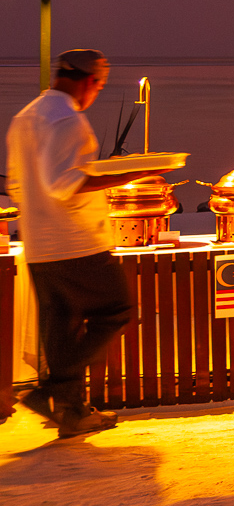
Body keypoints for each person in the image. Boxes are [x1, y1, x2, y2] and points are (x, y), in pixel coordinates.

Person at [6, 49, 150, 437]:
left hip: (39, 244)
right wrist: (133, 173)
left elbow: (18, 185)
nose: (97, 93)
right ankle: (51, 391)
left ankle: (70, 413)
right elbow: (64, 184)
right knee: (117, 310)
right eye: (100, 86)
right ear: (90, 81)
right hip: (77, 242)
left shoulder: (26, 117)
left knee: (62, 325)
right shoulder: (67, 120)